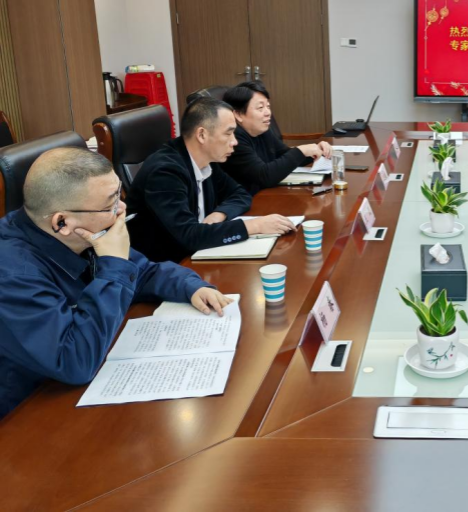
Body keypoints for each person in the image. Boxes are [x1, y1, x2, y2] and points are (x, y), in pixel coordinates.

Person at [0, 148, 233, 418]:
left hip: (81, 385)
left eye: (119, 195)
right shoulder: (13, 273)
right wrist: (113, 264)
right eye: (109, 205)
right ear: (62, 222)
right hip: (29, 411)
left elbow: (142, 272)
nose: (121, 209)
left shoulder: (81, 233)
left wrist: (191, 286)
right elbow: (74, 361)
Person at [126, 96, 296, 263]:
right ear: (202, 135)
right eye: (228, 133)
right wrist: (255, 226)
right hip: (165, 265)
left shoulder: (207, 161)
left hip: (197, 254)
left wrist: (219, 214)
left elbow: (240, 194)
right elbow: (189, 236)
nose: (234, 142)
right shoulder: (165, 172)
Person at [221, 81, 333, 194]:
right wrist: (301, 151)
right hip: (248, 199)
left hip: (265, 194)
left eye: (268, 106)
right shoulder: (234, 139)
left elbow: (283, 154)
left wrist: (315, 151)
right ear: (238, 114)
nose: (268, 113)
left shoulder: (261, 130)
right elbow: (264, 176)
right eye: (260, 107)